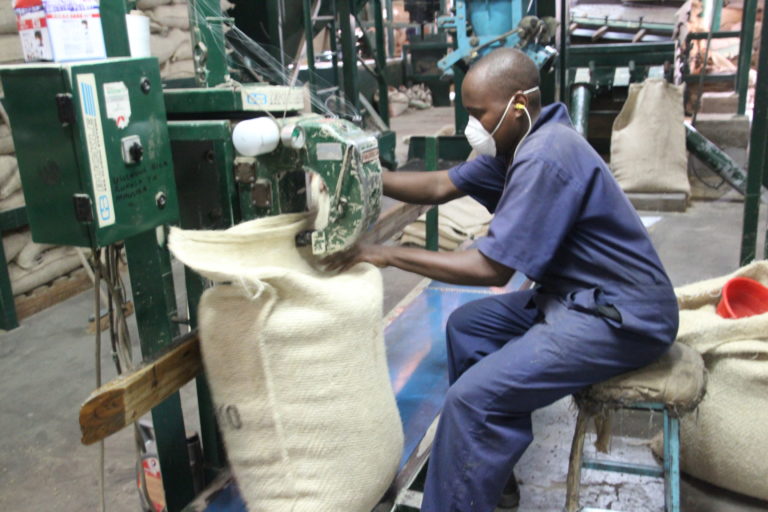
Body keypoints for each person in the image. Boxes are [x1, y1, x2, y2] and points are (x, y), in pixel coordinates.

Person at [324, 48, 679, 512]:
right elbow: (436, 187)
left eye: (477, 113)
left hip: (619, 316)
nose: (471, 125)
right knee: (468, 329)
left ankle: (456, 494)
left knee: (472, 400)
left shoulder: (546, 155)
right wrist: (361, 174)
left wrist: (387, 253)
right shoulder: (517, 144)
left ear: (516, 105)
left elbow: (492, 269)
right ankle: (485, 476)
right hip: (572, 297)